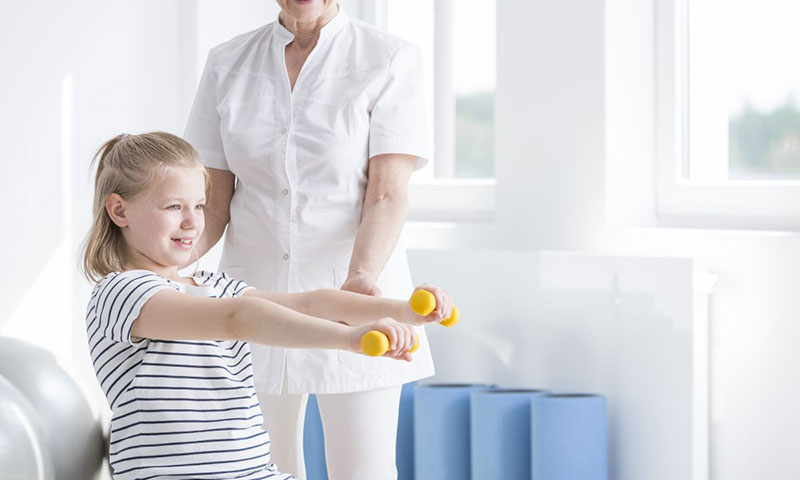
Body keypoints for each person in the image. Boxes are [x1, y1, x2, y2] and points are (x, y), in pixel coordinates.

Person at [82, 132, 453, 480]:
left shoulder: (211, 285)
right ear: (120, 211)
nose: (192, 221)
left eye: (198, 205)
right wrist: (350, 339)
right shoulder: (123, 292)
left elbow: (310, 302)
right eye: (174, 206)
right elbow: (236, 319)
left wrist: (403, 311)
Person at [184, 1, 437, 477]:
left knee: (363, 469)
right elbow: (212, 200)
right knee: (255, 468)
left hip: (356, 292)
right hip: (254, 299)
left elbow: (387, 192)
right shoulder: (227, 61)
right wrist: (166, 270)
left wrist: (361, 276)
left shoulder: (389, 57)